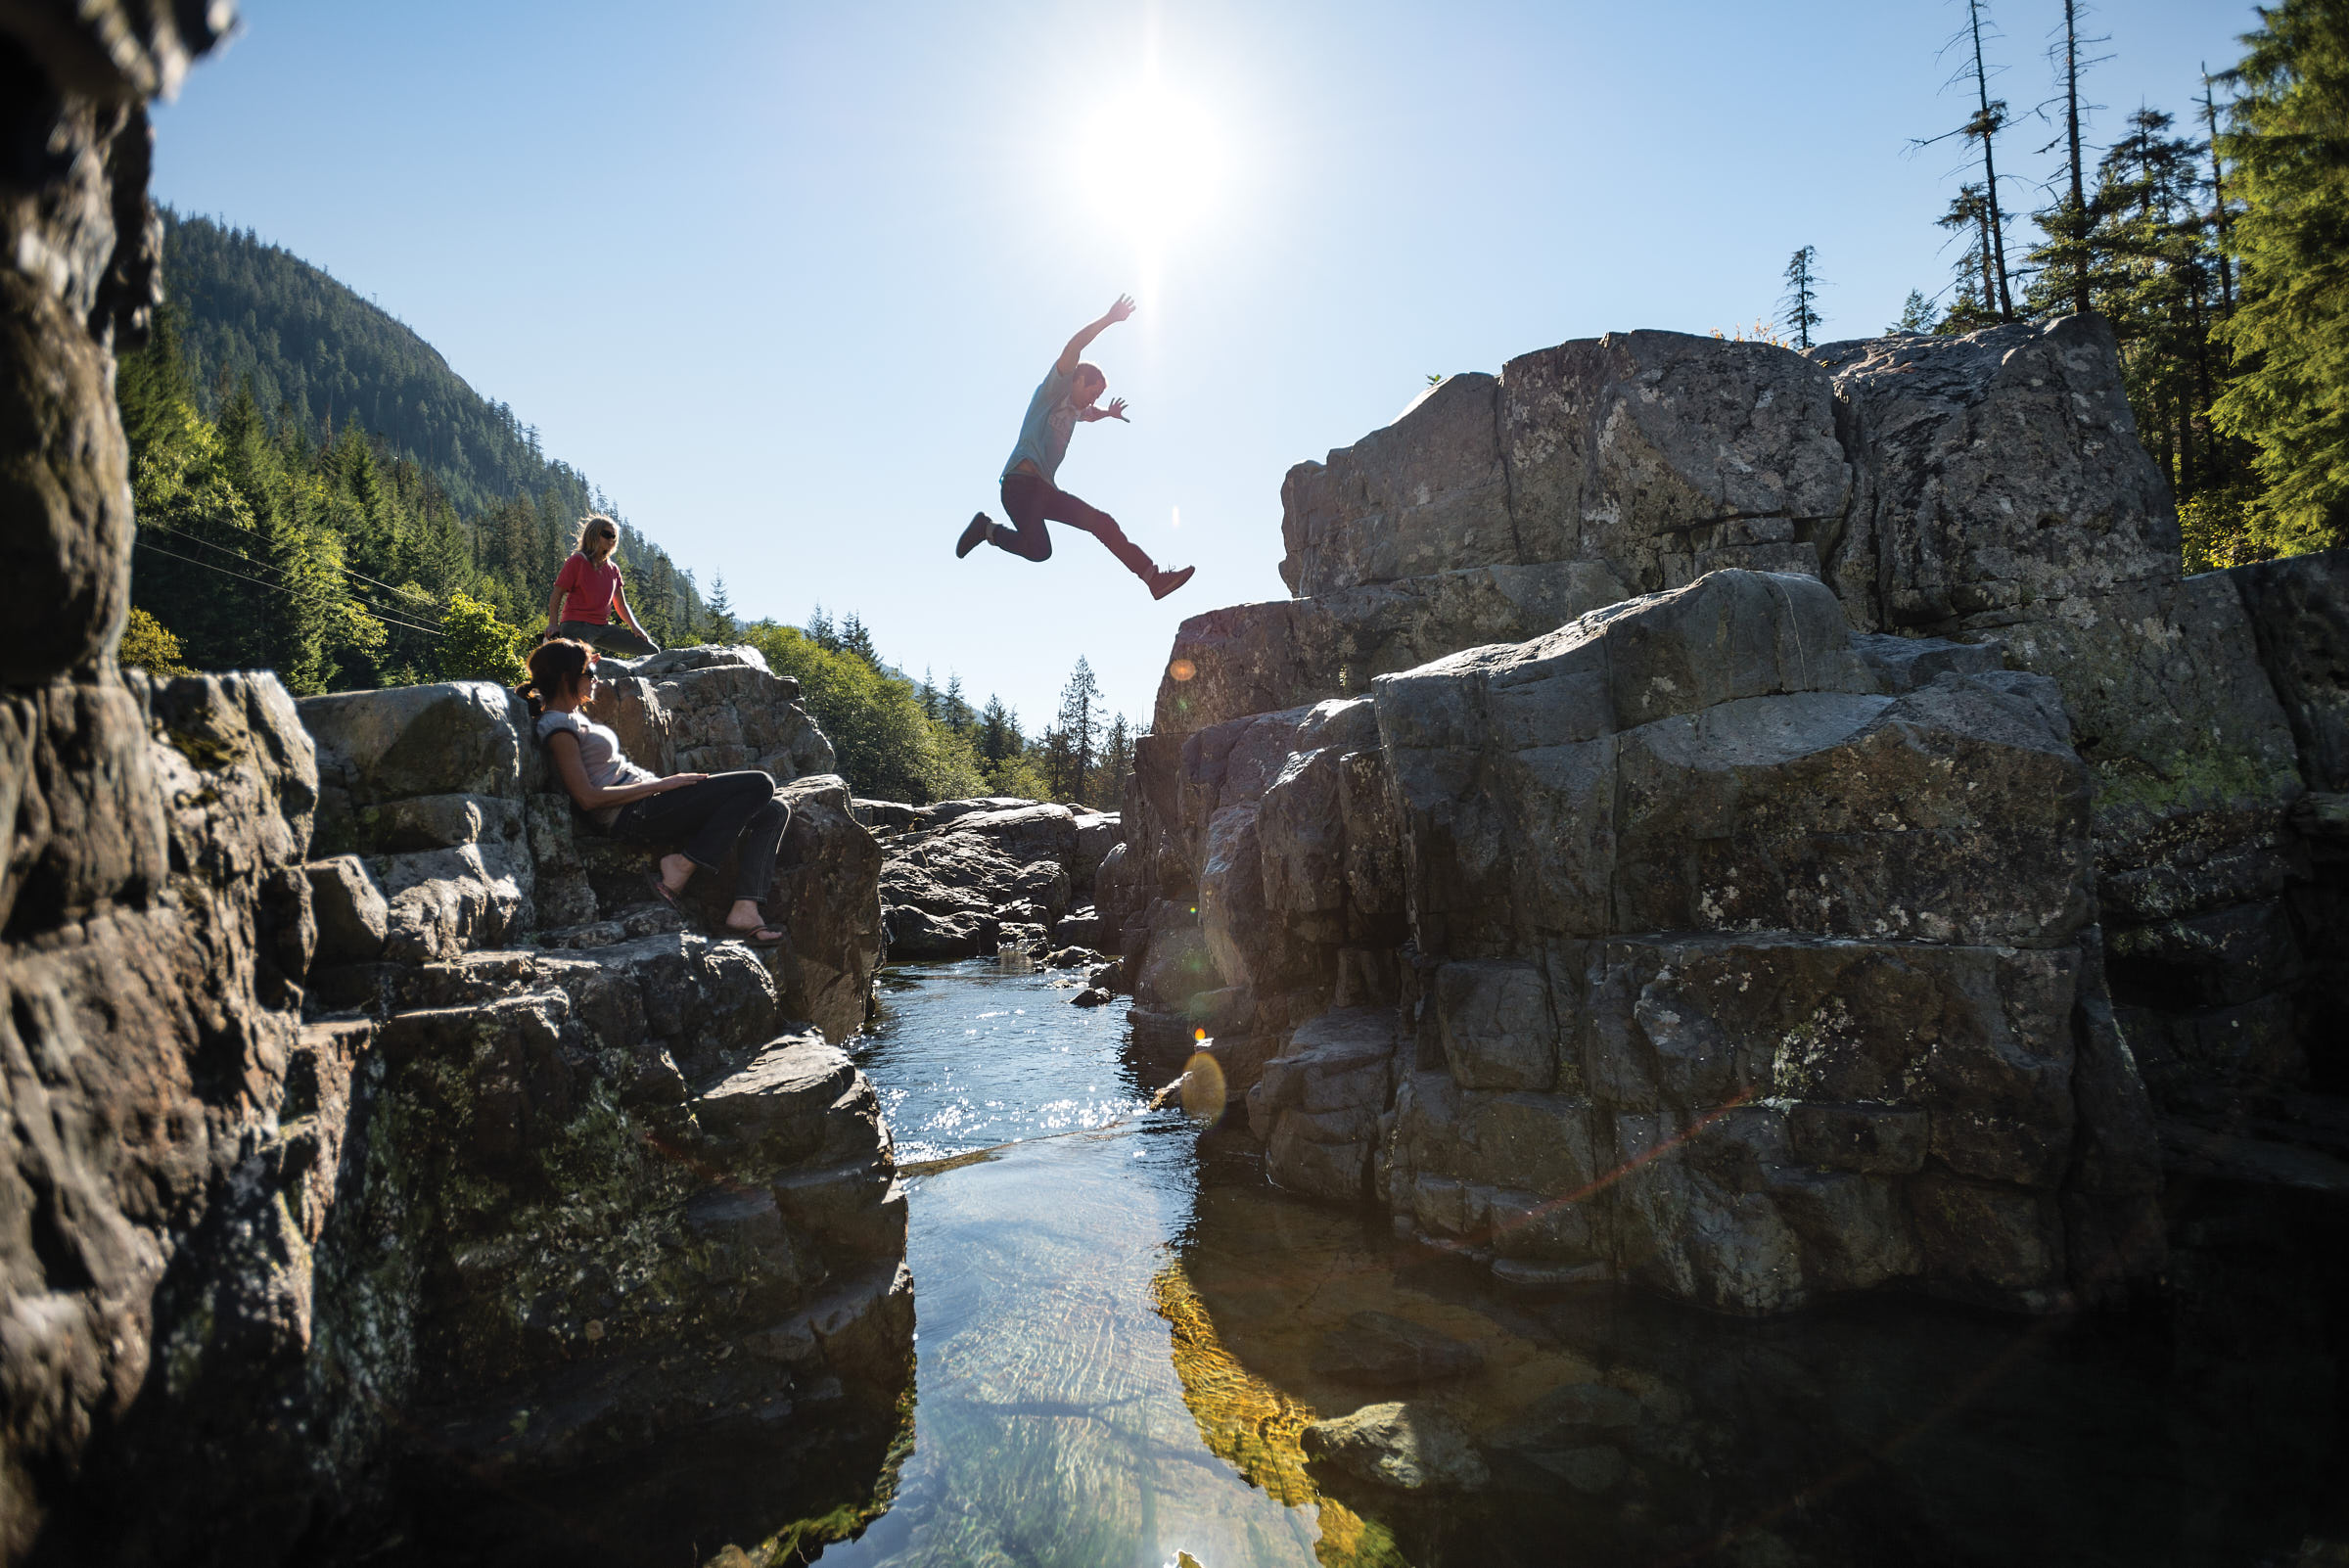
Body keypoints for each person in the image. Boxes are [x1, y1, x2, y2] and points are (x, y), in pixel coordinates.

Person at [517, 638, 789, 946]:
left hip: (648, 802)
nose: (597, 680)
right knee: (760, 783)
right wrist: (662, 785)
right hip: (632, 814)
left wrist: (663, 786)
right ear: (566, 678)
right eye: (590, 674)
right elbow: (587, 798)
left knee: (773, 812)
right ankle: (681, 866)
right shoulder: (557, 727)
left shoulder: (570, 717)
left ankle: (745, 908)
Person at [955, 295, 1195, 600]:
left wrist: (1108, 413)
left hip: (1044, 490)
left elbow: (1090, 415)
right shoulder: (1054, 390)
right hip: (1018, 486)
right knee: (1041, 549)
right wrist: (1110, 319)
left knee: (1093, 527)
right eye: (1092, 393)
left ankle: (1154, 579)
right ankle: (986, 528)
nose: (1091, 401)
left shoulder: (1076, 409)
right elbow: (1074, 347)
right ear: (1078, 380)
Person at [545, 514, 661, 656]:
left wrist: (635, 628)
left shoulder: (613, 569)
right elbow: (557, 593)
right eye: (606, 535)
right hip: (576, 625)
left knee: (651, 650)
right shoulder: (577, 561)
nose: (611, 539)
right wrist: (553, 624)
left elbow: (621, 605)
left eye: (614, 536)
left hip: (603, 627)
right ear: (593, 534)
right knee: (579, 661)